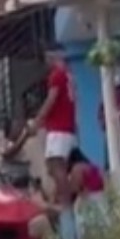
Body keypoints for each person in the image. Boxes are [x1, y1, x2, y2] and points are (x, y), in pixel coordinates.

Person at [28, 43, 77, 210]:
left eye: (47, 58)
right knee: (53, 167)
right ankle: (61, 199)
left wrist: (37, 121)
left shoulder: (57, 75)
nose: (46, 62)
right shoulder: (68, 76)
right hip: (65, 128)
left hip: (59, 129)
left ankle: (66, 204)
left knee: (56, 166)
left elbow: (51, 100)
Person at [65, 147, 108, 239]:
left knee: (86, 238)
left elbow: (75, 188)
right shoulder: (94, 167)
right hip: (101, 200)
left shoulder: (76, 168)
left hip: (87, 201)